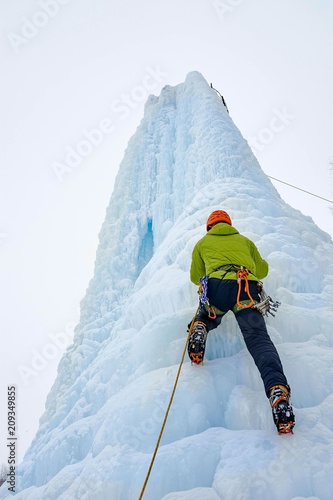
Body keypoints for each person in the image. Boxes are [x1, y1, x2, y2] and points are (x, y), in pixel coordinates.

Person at [188, 210, 295, 433]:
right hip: (245, 289)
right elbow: (262, 270)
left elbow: (195, 275)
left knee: (207, 314)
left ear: (210, 227)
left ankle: (201, 326)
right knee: (259, 340)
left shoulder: (202, 243)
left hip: (217, 288)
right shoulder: (245, 241)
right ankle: (277, 391)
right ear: (229, 224)